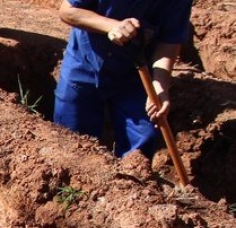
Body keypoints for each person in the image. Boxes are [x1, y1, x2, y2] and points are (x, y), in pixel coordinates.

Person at [53, 0, 192, 158]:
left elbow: (169, 40)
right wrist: (111, 25)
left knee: (142, 144)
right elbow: (68, 11)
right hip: (84, 64)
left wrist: (160, 85)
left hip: (134, 75)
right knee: (70, 138)